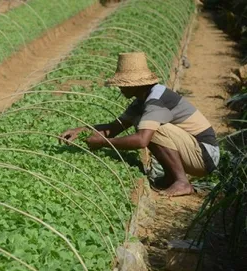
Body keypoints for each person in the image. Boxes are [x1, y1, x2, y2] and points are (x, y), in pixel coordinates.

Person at [59, 52, 220, 197]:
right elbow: (114, 128)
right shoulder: (141, 101)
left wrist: (103, 142)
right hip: (193, 151)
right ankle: (171, 177)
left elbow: (142, 141)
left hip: (204, 155)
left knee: (152, 130)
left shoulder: (155, 100)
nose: (120, 88)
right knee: (146, 125)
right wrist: (81, 131)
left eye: (123, 84)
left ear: (135, 84)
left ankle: (182, 182)